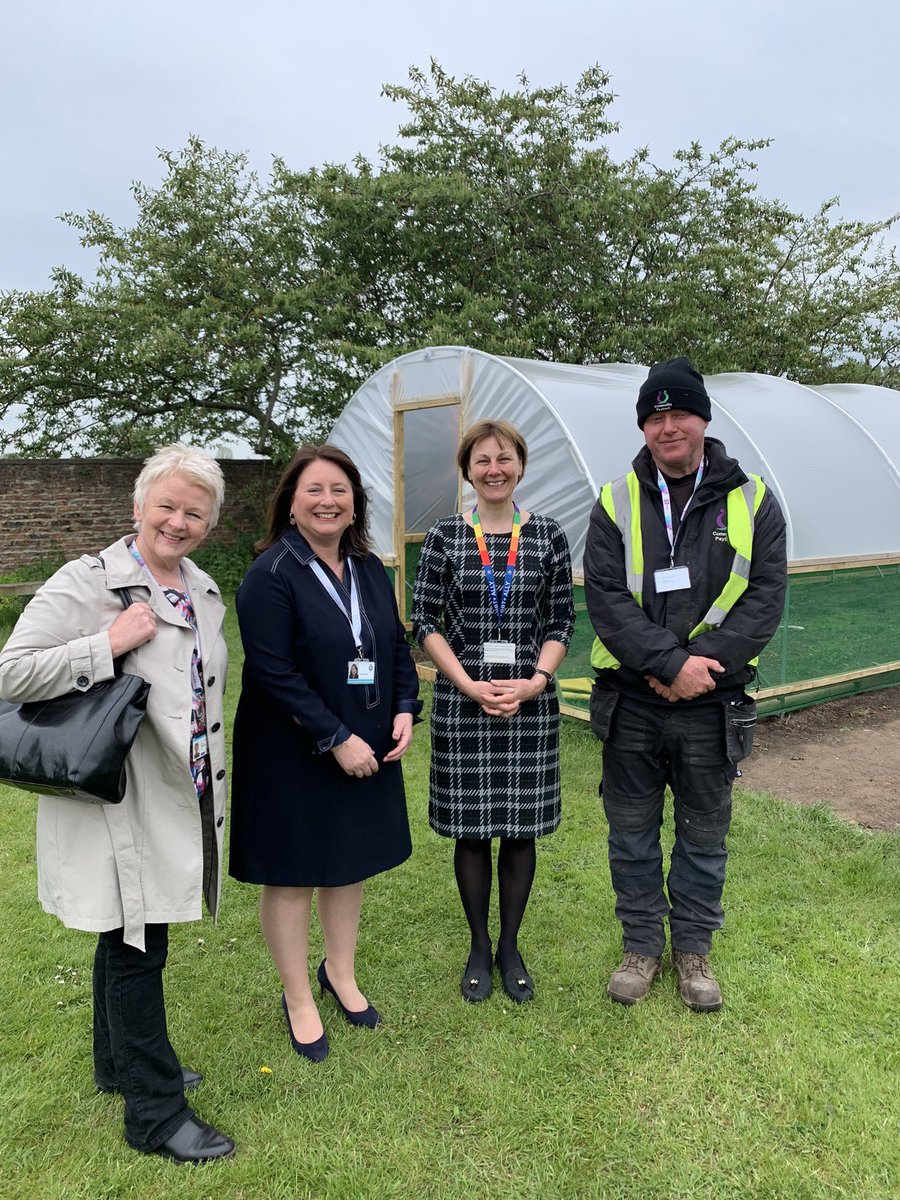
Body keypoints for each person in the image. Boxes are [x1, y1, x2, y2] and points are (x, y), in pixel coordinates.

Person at [0, 446, 234, 1163]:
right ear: (137, 507)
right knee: (138, 943)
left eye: (195, 512)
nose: (179, 520)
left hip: (179, 792)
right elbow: (10, 674)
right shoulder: (89, 581)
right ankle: (155, 1114)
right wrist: (103, 645)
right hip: (118, 802)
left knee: (127, 932)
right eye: (167, 505)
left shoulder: (201, 587)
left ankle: (117, 1067)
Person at [584, 358, 787, 1011]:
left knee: (703, 833)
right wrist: (669, 665)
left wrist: (700, 669)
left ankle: (693, 950)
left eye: (680, 413)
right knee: (632, 831)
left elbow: (764, 599)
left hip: (713, 703)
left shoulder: (752, 500)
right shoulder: (616, 501)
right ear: (643, 425)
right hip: (634, 702)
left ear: (703, 418)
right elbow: (607, 598)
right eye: (655, 416)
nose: (667, 426)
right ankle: (642, 946)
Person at [229, 445, 421, 1062]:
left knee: (348, 862)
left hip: (369, 734)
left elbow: (392, 643)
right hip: (291, 749)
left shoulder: (366, 566)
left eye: (339, 490)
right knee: (292, 874)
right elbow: (272, 671)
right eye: (313, 490)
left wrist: (403, 707)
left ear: (355, 502)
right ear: (290, 502)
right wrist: (335, 738)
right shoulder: (270, 575)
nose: (327, 501)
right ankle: (297, 997)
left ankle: (339, 973)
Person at [411, 419, 574, 1004]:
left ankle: (510, 944)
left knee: (521, 829)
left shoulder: (548, 536)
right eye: (481, 460)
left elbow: (561, 620)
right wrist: (468, 684)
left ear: (521, 465)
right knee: (472, 832)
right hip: (464, 702)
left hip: (529, 704)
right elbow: (425, 620)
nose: (494, 469)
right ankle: (479, 945)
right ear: (468, 471)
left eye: (503, 458)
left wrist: (534, 682)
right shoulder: (446, 536)